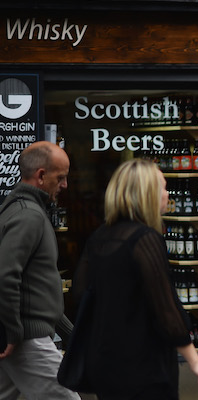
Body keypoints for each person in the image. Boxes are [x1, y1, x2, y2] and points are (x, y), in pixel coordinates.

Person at [70, 158, 198, 399]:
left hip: (104, 359)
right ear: (147, 194)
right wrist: (195, 361)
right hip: (141, 363)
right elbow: (165, 304)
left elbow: (80, 291)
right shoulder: (145, 238)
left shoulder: (100, 236)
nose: (168, 194)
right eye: (163, 187)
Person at [0, 141, 80, 400]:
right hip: (26, 339)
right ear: (42, 176)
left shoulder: (19, 210)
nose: (65, 185)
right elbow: (5, 275)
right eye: (61, 177)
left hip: (19, 335)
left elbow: (37, 286)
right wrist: (12, 332)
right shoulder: (29, 215)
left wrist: (72, 335)